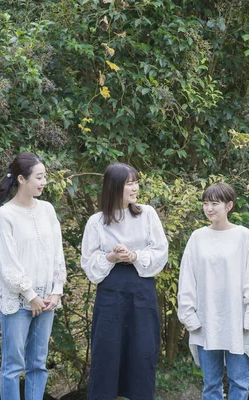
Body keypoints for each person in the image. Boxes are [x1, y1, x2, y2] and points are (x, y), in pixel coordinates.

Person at [81, 162, 169, 400]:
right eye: (129, 183)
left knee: (143, 351)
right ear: (114, 187)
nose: (135, 188)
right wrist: (111, 256)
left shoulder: (147, 214)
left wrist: (134, 256)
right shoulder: (97, 222)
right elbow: (89, 263)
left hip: (141, 289)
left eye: (136, 182)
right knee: (107, 352)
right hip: (110, 291)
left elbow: (161, 252)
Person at [177, 182, 249, 400]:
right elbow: (187, 280)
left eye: (215, 203)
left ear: (229, 205)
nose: (209, 208)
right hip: (205, 321)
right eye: (205, 203)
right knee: (211, 385)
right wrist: (189, 316)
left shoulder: (243, 236)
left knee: (239, 383)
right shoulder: (197, 238)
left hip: (237, 322)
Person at [0, 152, 67, 400]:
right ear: (22, 179)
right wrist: (30, 294)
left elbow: (58, 252)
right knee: (13, 366)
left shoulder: (47, 209)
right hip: (18, 302)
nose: (44, 181)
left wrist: (56, 290)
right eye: (39, 177)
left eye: (45, 176)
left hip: (47, 299)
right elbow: (7, 263)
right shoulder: (6, 214)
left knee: (38, 363)